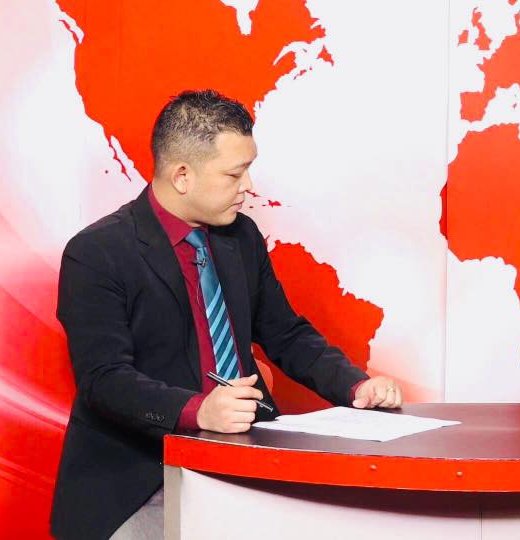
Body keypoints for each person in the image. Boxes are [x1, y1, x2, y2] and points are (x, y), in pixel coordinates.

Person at [50, 90, 403, 540]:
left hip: (246, 463)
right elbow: (104, 380)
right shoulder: (96, 253)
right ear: (182, 176)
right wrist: (199, 411)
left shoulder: (241, 237)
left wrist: (355, 385)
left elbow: (286, 334)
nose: (249, 185)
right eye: (235, 173)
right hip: (141, 477)